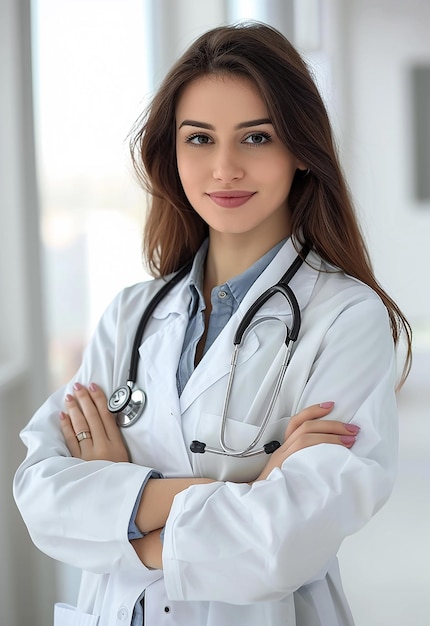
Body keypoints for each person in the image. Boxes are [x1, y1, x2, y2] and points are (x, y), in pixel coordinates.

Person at [14, 21, 411, 626]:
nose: (224, 168)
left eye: (255, 139)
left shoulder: (347, 318)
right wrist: (245, 492)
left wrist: (124, 509)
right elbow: (41, 494)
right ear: (171, 155)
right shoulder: (130, 314)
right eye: (199, 139)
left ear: (302, 150)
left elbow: (280, 544)